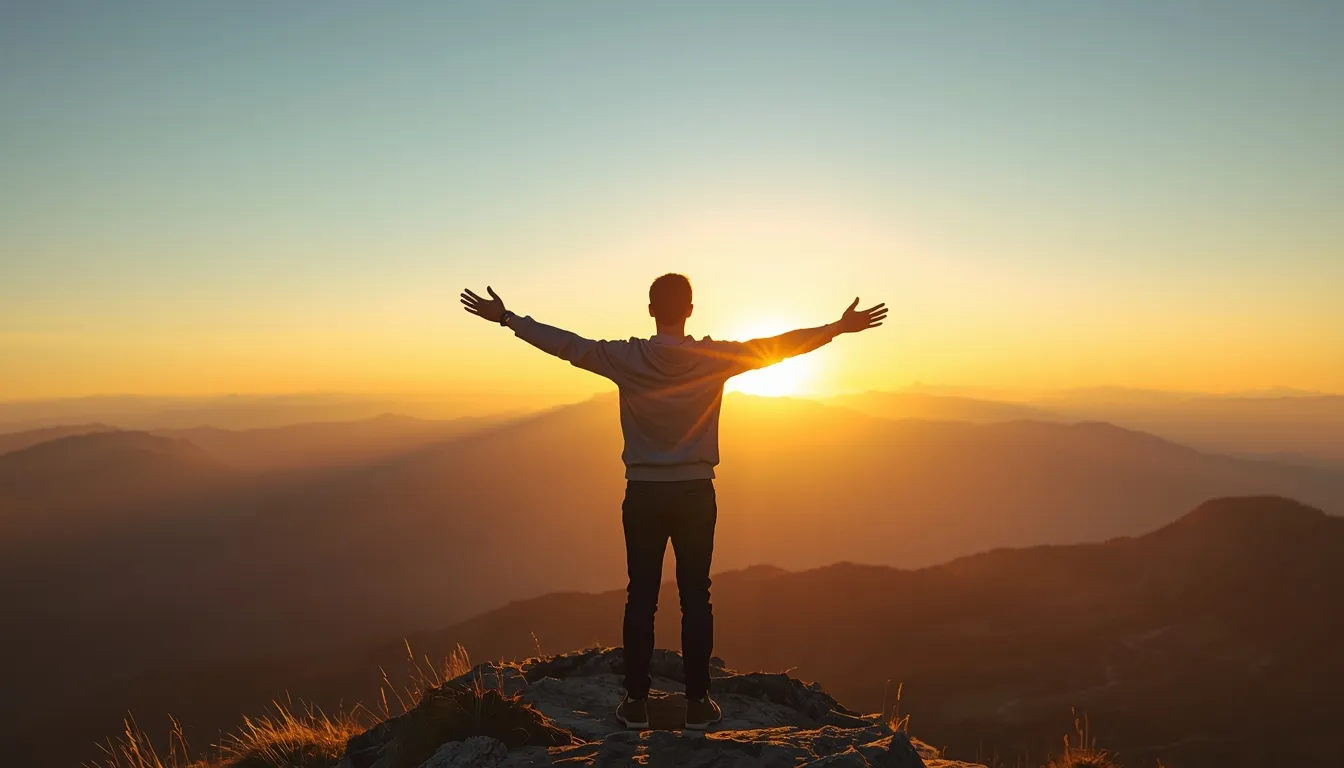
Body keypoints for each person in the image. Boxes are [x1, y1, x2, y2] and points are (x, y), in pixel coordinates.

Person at [460, 274, 886, 730]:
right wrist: (835, 329)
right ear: (689, 310)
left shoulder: (624, 357)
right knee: (695, 597)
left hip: (642, 493)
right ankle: (699, 704)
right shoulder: (712, 357)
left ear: (650, 310)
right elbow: (778, 346)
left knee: (640, 598)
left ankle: (636, 703)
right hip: (696, 493)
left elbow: (566, 344)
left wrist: (507, 318)